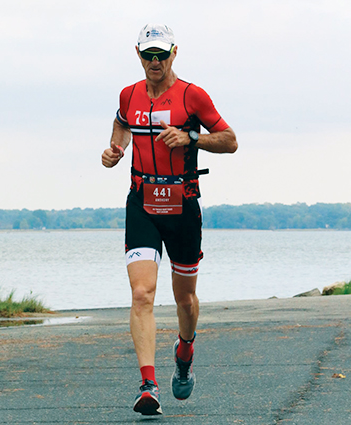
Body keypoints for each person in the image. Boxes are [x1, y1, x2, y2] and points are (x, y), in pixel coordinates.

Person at [101, 23, 237, 416]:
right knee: (142, 293)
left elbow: (230, 140)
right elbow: (121, 125)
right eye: (148, 54)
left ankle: (185, 349)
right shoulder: (129, 95)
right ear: (138, 55)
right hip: (142, 201)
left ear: (174, 53)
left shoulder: (193, 96)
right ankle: (148, 384)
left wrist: (191, 138)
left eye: (162, 54)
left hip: (182, 204)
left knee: (185, 299)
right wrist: (115, 151)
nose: (155, 61)